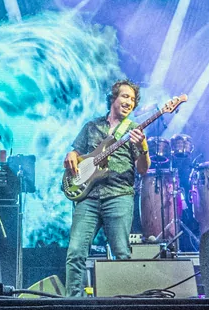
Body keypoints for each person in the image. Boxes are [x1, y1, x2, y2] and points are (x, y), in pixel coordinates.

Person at [63, 79, 151, 297]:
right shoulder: (92, 126)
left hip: (119, 195)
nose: (129, 102)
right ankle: (73, 304)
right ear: (113, 98)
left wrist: (142, 146)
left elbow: (143, 169)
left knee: (122, 254)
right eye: (125, 96)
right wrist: (71, 154)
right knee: (75, 253)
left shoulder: (134, 130)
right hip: (88, 197)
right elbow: (76, 152)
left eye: (133, 99)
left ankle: (124, 305)